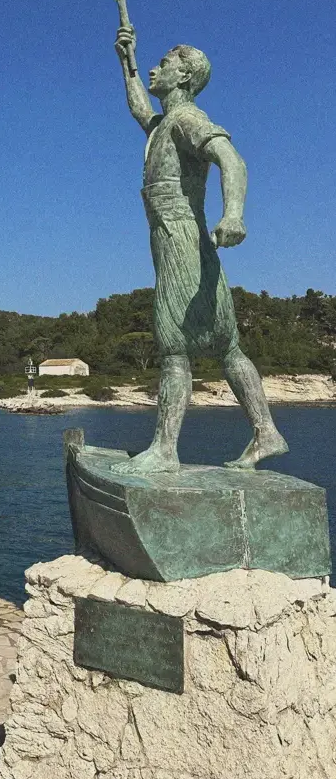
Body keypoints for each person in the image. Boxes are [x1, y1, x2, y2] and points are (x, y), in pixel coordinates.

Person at [112, 25, 288, 474]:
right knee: (228, 346)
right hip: (180, 240)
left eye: (165, 62)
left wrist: (234, 214)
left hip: (180, 239)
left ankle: (165, 450)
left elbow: (231, 158)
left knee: (174, 345)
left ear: (186, 76)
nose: (156, 67)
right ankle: (266, 432)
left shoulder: (189, 118)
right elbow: (138, 107)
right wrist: (127, 61)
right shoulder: (162, 124)